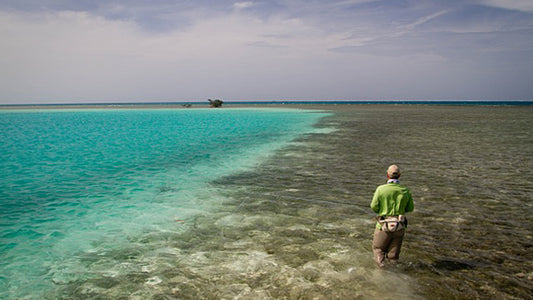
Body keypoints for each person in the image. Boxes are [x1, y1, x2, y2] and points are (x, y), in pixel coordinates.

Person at [370, 164, 414, 267]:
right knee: (393, 256)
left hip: (383, 226)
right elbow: (410, 208)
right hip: (399, 225)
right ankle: (395, 274)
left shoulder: (380, 189)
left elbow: (374, 206)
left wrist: (382, 210)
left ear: (387, 175)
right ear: (399, 176)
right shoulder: (406, 191)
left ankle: (381, 275)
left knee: (378, 250)